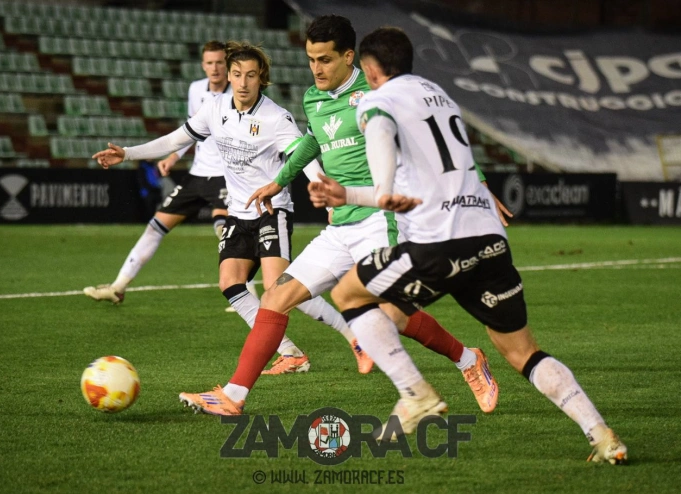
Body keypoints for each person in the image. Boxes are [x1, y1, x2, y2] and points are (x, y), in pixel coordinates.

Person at [308, 27, 628, 464]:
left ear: (369, 68)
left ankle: (416, 394)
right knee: (522, 352)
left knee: (348, 294)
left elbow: (380, 134)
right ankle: (603, 435)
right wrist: (353, 194)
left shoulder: (377, 99)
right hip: (489, 239)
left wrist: (376, 191)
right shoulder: (439, 96)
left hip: (439, 241)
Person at [178, 15, 499, 417]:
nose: (316, 68)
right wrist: (279, 182)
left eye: (325, 59)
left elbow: (435, 136)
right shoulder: (313, 98)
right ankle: (233, 396)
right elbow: (312, 141)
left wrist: (479, 182)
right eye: (311, 59)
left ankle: (467, 361)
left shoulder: (380, 94)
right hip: (340, 225)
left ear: (349, 57)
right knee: (276, 297)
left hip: (381, 220)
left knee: (389, 314)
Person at [92, 41, 351, 372]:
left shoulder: (276, 118)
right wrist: (128, 153)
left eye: (251, 75)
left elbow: (303, 156)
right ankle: (289, 352)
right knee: (230, 283)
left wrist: (324, 191)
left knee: (280, 289)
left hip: (271, 210)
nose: (243, 83)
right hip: (238, 213)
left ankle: (353, 335)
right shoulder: (214, 108)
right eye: (237, 74)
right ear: (229, 76)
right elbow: (174, 141)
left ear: (261, 79)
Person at [83, 41, 232, 305]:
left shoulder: (238, 93)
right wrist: (173, 157)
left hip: (226, 175)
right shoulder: (196, 89)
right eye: (210, 63)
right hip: (197, 174)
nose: (215, 68)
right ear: (203, 65)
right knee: (155, 227)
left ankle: (246, 297)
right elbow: (190, 131)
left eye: (220, 62)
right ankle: (117, 287)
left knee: (225, 231)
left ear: (227, 64)